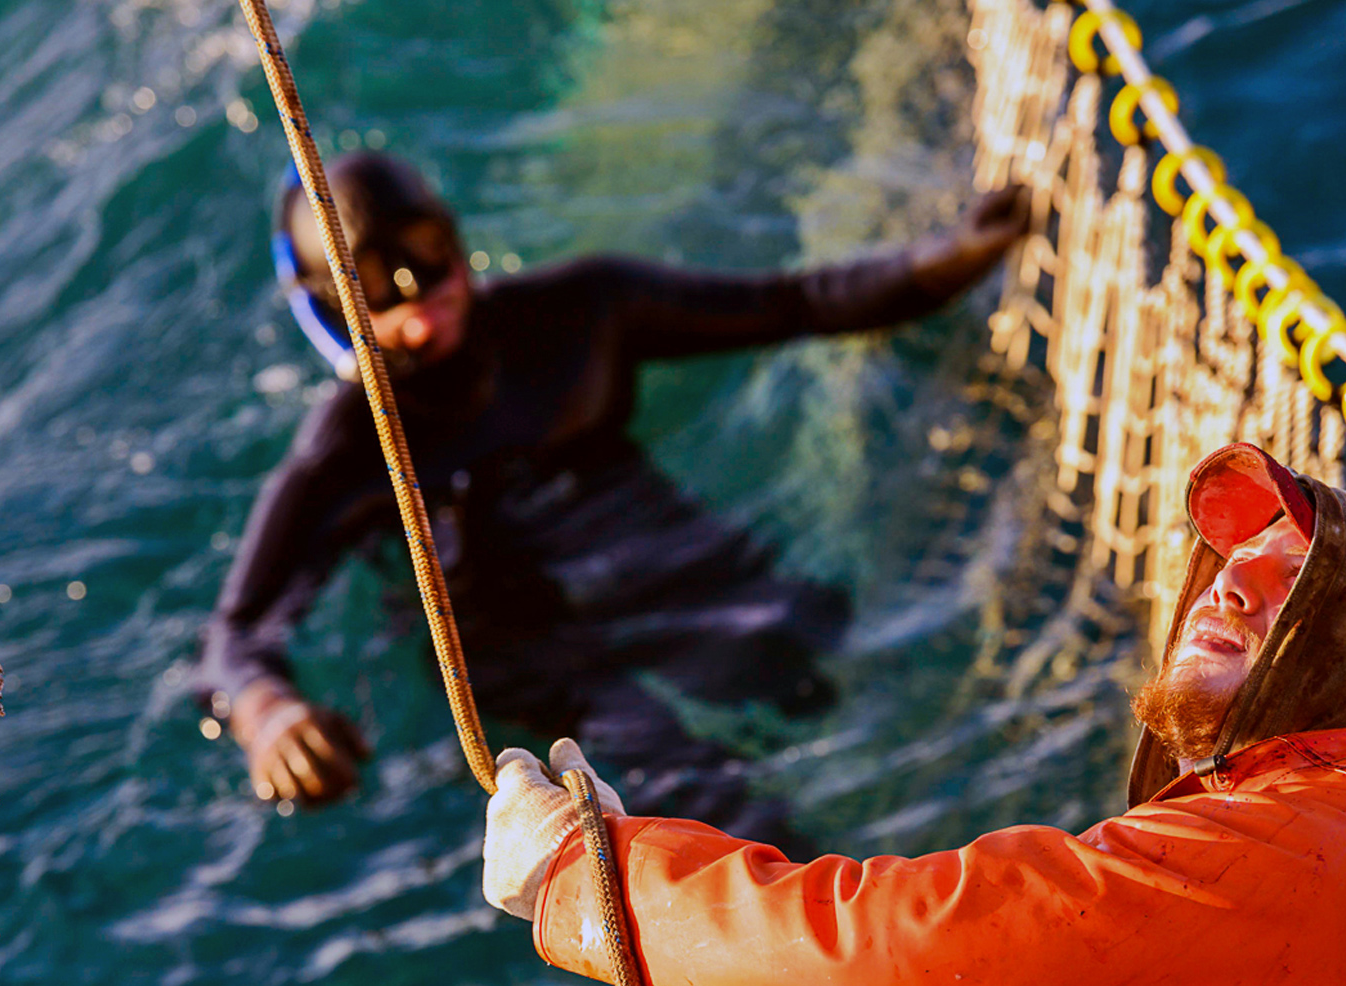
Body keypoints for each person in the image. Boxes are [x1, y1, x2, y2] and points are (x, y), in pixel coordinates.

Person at [482, 442, 1346, 986]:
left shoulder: (1295, 858)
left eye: (1293, 585)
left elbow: (902, 958)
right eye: (1235, 561)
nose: (1230, 584)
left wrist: (595, 882)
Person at [196, 152, 1030, 837]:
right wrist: (270, 716)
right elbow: (233, 639)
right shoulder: (346, 452)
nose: (423, 300)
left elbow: (793, 304)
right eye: (378, 290)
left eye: (428, 257)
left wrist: (949, 259)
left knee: (818, 662)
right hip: (526, 646)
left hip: (660, 560)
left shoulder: (582, 312)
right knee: (717, 808)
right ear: (332, 314)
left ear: (457, 238)